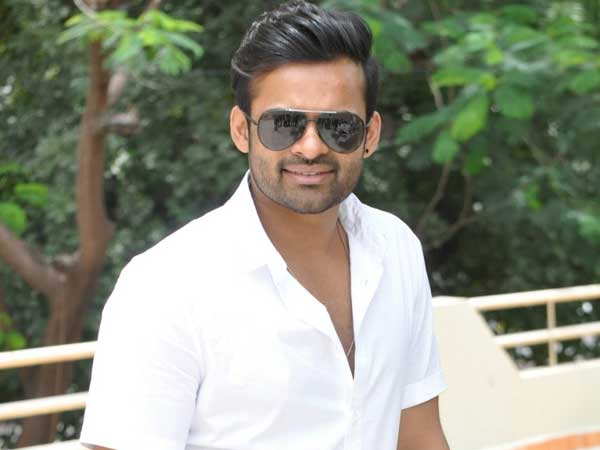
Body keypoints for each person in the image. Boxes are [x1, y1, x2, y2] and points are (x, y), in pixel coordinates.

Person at [80, 1, 449, 449]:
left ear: (369, 135)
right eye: (283, 125)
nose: (310, 148)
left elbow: (420, 436)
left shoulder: (396, 248)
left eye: (339, 127)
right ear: (242, 130)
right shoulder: (165, 285)